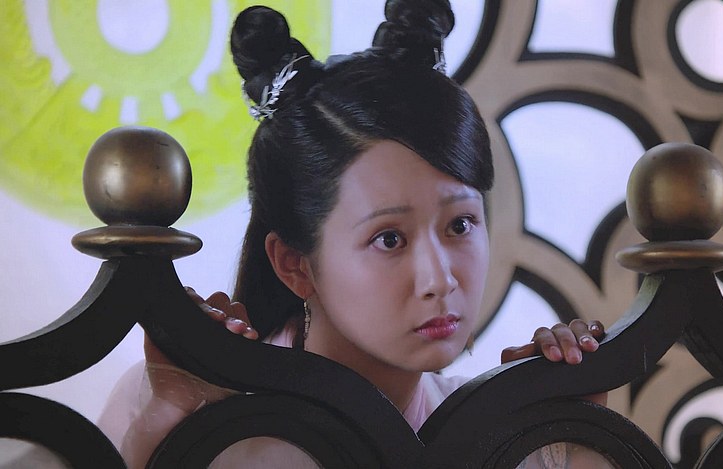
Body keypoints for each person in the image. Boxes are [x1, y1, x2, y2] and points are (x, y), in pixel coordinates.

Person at [99, 1, 606, 467]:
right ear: (295, 264)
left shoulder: (508, 441)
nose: (439, 279)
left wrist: (580, 430)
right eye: (389, 239)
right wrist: (167, 425)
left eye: (460, 225)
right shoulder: (180, 405)